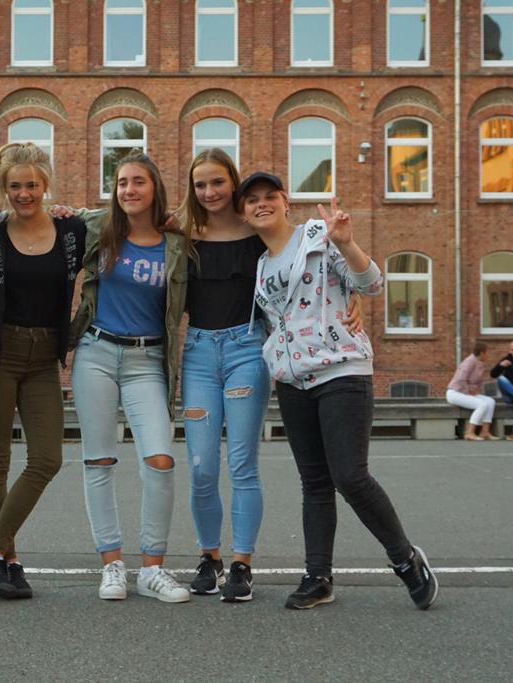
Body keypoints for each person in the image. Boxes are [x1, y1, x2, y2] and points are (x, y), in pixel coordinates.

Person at [241, 171, 438, 611]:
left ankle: (405, 559)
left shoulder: (318, 237)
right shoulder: (260, 265)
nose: (261, 204)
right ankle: (318, 578)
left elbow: (372, 284)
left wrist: (347, 244)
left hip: (341, 371)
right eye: (251, 200)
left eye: (269, 196)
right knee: (314, 482)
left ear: (285, 202)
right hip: (293, 381)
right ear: (244, 213)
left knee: (350, 475)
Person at [178, 149, 364, 603]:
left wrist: (353, 298)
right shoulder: (180, 233)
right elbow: (128, 219)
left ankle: (242, 564)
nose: (210, 192)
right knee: (202, 466)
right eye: (201, 184)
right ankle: (209, 558)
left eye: (218, 182)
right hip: (198, 355)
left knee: (242, 463)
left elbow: (316, 268)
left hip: (246, 351)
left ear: (233, 185)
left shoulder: (258, 235)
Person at [0, 143, 87, 599]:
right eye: (14, 186)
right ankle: (7, 562)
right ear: (3, 188)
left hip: (44, 356)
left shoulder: (70, 229)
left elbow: (115, 221)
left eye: (32, 185)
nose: (24, 194)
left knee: (47, 458)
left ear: (45, 183)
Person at [68, 150, 190, 603]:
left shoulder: (177, 243)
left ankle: (152, 569)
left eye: (138, 181)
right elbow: (48, 220)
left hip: (147, 360)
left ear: (155, 188)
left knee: (160, 459)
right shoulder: (98, 229)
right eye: (122, 182)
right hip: (96, 353)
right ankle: (112, 565)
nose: (129, 189)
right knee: (99, 460)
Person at [446, 341, 498, 440]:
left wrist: (476, 391)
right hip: (455, 393)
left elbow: (478, 382)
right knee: (482, 404)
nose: (488, 355)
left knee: (490, 401)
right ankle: (469, 432)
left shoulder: (481, 363)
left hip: (466, 393)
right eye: (487, 352)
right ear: (482, 353)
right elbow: (461, 379)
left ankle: (485, 432)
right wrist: (468, 392)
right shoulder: (469, 362)